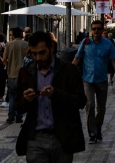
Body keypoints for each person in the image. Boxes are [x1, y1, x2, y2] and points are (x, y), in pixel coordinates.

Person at [15, 31, 87, 162]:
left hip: (62, 137)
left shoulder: (68, 70)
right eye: (34, 54)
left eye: (42, 53)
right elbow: (18, 107)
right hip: (36, 139)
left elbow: (80, 101)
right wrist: (25, 99)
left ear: (51, 48)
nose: (38, 58)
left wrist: (56, 94)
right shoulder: (26, 72)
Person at [73, 19, 115, 144]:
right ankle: (92, 133)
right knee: (90, 105)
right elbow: (77, 57)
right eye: (94, 29)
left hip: (101, 79)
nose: (96, 31)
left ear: (102, 30)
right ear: (91, 30)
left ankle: (98, 128)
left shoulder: (108, 43)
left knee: (102, 108)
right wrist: (69, 72)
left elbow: (114, 60)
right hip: (87, 79)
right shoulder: (86, 42)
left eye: (99, 29)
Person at [4, 27, 29, 122]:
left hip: (11, 74)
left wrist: (9, 66)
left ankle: (11, 116)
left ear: (14, 35)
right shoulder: (26, 44)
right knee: (21, 96)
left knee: (12, 96)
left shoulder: (9, 45)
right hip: (23, 75)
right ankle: (19, 116)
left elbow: (4, 59)